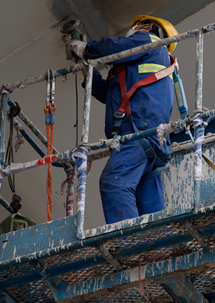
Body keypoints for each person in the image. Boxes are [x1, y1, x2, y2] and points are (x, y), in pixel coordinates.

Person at [67, 16, 178, 224]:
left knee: (114, 182)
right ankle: (158, 253)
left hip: (137, 134)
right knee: (149, 209)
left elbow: (113, 47)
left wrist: (86, 49)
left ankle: (129, 246)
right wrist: (85, 67)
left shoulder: (148, 41)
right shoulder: (142, 65)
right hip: (153, 143)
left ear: (148, 27)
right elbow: (109, 95)